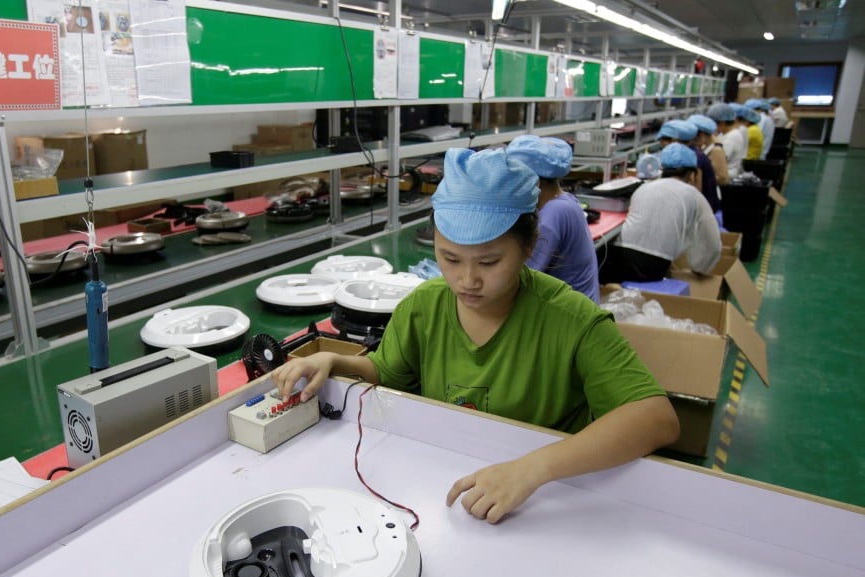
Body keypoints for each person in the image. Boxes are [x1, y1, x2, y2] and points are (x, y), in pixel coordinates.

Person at [272, 147, 678, 524]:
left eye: (489, 261)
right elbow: (387, 372)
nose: (466, 280)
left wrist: (532, 469)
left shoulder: (571, 321)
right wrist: (335, 361)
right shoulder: (424, 306)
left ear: (529, 246)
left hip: (544, 500)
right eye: (449, 258)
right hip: (444, 488)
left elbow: (656, 419)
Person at [600, 143, 722, 283]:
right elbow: (712, 244)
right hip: (653, 265)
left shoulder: (643, 188)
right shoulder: (695, 196)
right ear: (692, 174)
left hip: (617, 256)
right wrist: (700, 268)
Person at [505, 135, 599, 303]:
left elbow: (522, 277)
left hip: (570, 318)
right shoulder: (565, 200)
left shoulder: (554, 213)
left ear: (535, 183)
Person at [687, 113, 725, 228]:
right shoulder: (702, 148)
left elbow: (723, 178)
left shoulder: (716, 149)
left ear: (701, 134)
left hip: (710, 202)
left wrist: (709, 178)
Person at [655, 119, 701, 189]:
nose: (662, 146)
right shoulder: (691, 154)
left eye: (662, 142)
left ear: (674, 141)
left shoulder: (692, 158)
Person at [708, 102, 744, 180]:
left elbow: (719, 158)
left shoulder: (732, 137)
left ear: (722, 123)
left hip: (726, 175)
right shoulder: (726, 133)